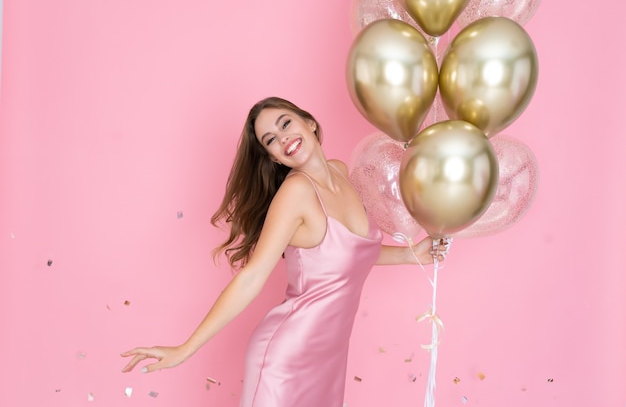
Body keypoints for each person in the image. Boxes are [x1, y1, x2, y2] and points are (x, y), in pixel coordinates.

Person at [121, 97, 447, 407]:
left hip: (330, 359)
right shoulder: (296, 192)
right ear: (275, 157)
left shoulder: (340, 172)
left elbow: (347, 258)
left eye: (286, 123)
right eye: (271, 139)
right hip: (286, 359)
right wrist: (186, 349)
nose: (283, 137)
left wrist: (410, 255)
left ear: (310, 123)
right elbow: (252, 277)